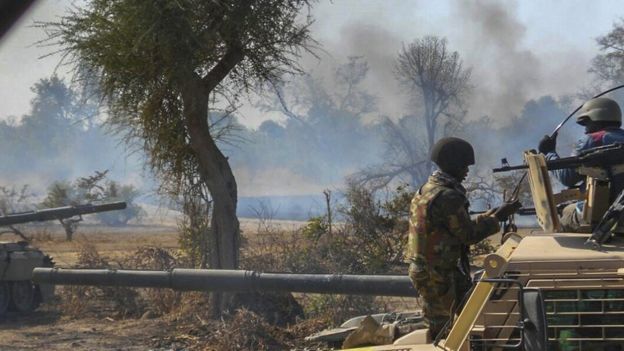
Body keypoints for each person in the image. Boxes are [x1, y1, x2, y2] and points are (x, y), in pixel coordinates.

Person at [407, 137, 521, 340]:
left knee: (469, 313)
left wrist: (489, 216)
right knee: (444, 330)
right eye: (463, 166)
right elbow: (467, 235)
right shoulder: (449, 197)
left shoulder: (427, 189)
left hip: (433, 269)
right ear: (451, 164)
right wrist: (498, 218)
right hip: (437, 274)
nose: (467, 171)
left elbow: (456, 226)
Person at [538, 97, 624, 231]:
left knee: (565, 214)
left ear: (596, 119)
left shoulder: (591, 141)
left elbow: (567, 178)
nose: (585, 130)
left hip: (601, 217)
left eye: (587, 124)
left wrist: (549, 153)